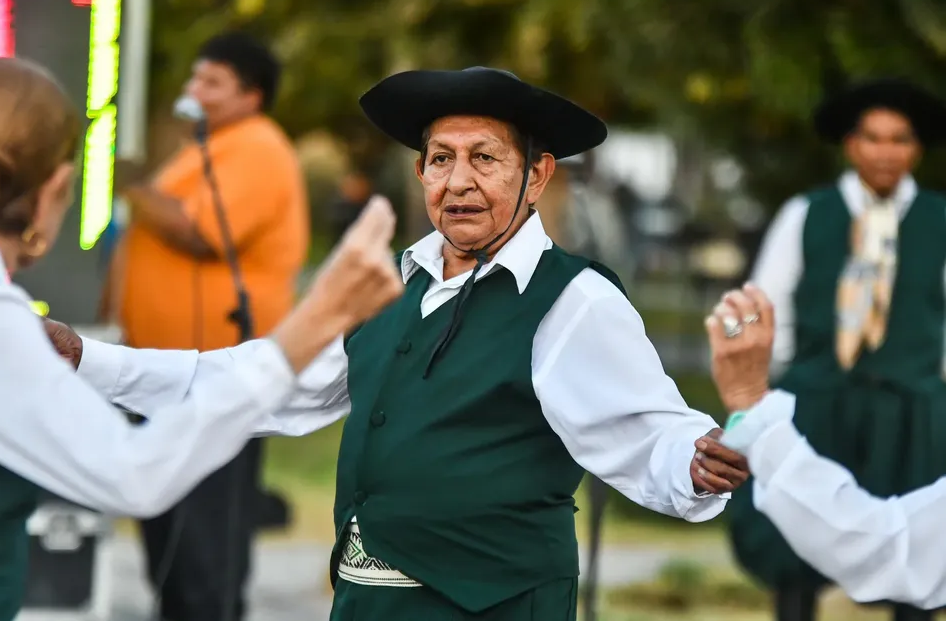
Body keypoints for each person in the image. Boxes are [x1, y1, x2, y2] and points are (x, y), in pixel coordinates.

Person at [49, 66, 753, 620]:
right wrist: (89, 359)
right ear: (420, 174)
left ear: (537, 175)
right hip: (368, 604)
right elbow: (258, 382)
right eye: (440, 158)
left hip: (496, 607)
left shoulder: (576, 299)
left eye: (486, 157)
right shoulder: (385, 284)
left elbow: (651, 433)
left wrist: (694, 463)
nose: (459, 181)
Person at [0, 57, 402, 621]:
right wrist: (309, 329)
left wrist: (89, 357)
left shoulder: (252, 149)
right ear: (55, 190)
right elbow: (133, 474)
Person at [104, 32, 310, 621]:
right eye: (195, 78)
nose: (195, 91)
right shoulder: (205, 147)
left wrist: (134, 189)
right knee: (170, 543)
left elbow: (202, 232)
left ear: (252, 95)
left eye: (212, 81)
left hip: (216, 376)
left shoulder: (258, 146)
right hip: (164, 375)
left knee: (204, 553)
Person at [725, 78, 946, 621]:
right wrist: (762, 383)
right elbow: (766, 302)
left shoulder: (941, 221)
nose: (886, 151)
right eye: (873, 137)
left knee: (917, 551)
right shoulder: (807, 213)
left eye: (899, 139)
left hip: (910, 409)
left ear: (915, 148)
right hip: (821, 400)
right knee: (795, 543)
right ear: (851, 144)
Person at [707, 283, 946, 612]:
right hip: (822, 403)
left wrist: (754, 410)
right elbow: (884, 545)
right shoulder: (799, 228)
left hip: (909, 413)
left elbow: (884, 548)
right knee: (794, 576)